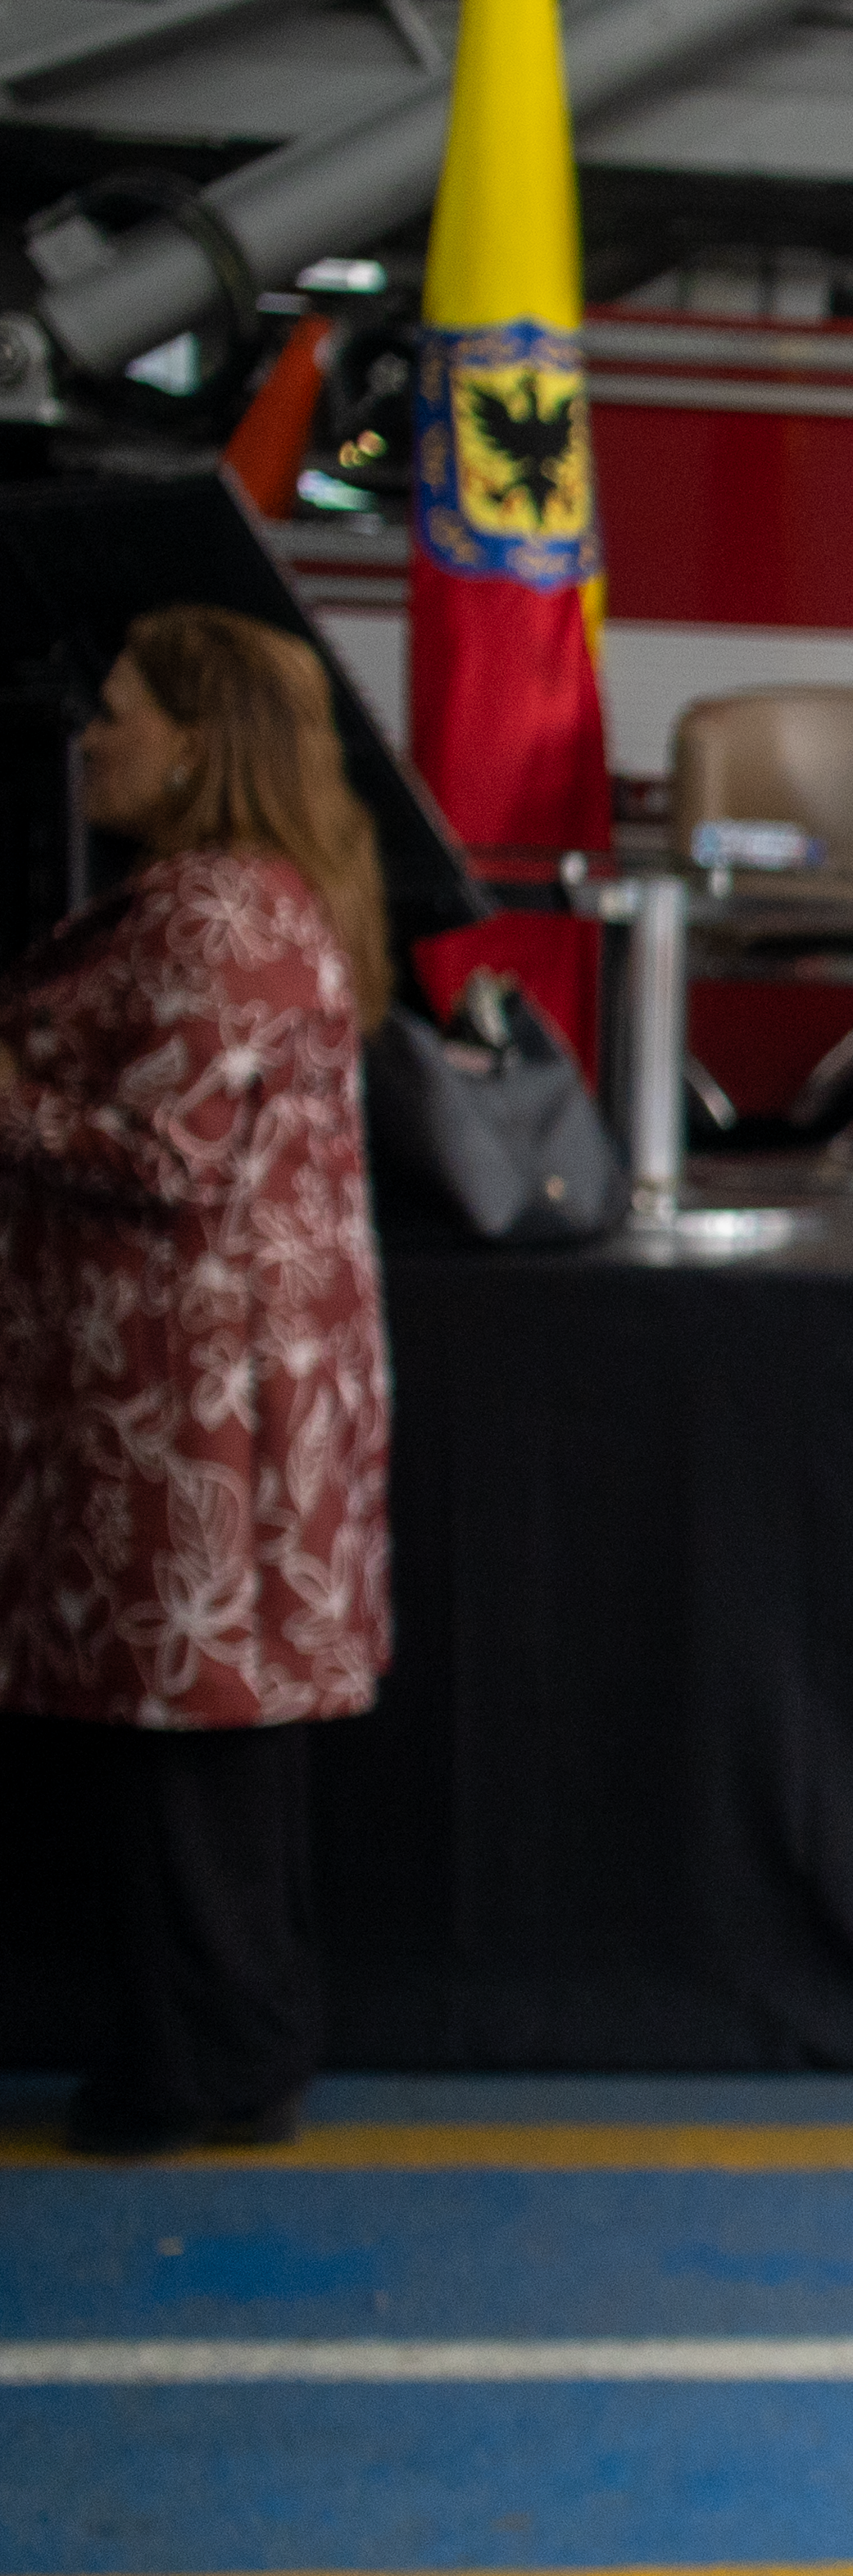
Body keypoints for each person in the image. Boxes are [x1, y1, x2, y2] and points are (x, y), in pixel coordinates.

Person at [0, 604, 397, 2160]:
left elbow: (173, 1154)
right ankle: (231, 2054)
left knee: (187, 1746)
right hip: (211, 1391)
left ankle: (194, 2071)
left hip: (193, 1403)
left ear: (195, 740)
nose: (93, 734)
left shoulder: (215, 909)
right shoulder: (258, 894)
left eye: (123, 708)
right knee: (212, 1749)